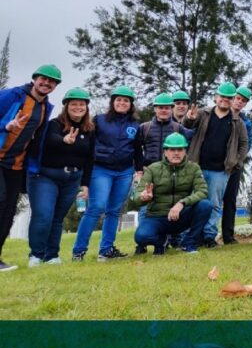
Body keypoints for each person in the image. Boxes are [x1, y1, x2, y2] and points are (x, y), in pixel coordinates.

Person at [0, 63, 61, 273]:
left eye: (52, 82)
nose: (47, 83)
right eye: (43, 79)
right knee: (0, 202)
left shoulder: (45, 107)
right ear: (34, 79)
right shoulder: (12, 95)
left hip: (15, 165)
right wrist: (5, 126)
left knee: (9, 212)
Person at [72, 85, 141, 262]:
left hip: (124, 172)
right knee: (96, 207)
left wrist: (139, 170)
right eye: (118, 100)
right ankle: (78, 251)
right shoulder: (99, 120)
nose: (122, 103)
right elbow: (88, 144)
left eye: (126, 100)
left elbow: (137, 150)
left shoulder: (135, 125)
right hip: (101, 169)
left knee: (114, 211)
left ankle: (106, 250)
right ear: (112, 102)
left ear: (131, 104)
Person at [27, 87, 95, 266]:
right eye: (74, 104)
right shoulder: (54, 125)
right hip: (46, 176)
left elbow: (90, 158)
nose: (78, 107)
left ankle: (52, 256)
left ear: (86, 107)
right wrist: (64, 140)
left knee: (58, 218)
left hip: (72, 179)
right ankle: (36, 255)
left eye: (82, 104)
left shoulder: (89, 130)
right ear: (66, 106)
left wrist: (85, 184)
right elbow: (50, 139)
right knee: (43, 215)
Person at [185, 82, 249, 247]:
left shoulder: (237, 122)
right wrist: (189, 118)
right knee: (194, 201)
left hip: (220, 171)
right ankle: (193, 236)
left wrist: (236, 161)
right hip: (197, 167)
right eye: (222, 96)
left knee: (215, 204)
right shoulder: (203, 114)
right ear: (216, 97)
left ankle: (209, 236)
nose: (225, 100)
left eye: (229, 98)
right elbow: (187, 126)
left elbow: (244, 143)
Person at [132, 133, 211, 255]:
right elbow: (136, 196)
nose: (176, 153)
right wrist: (143, 197)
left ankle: (189, 243)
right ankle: (161, 242)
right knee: (141, 237)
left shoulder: (194, 168)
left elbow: (203, 191)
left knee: (205, 205)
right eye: (172, 149)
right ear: (165, 152)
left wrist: (182, 203)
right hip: (157, 217)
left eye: (180, 149)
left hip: (181, 215)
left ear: (185, 151)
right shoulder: (153, 169)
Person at [222, 86, 252, 244]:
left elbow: (247, 144)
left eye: (243, 101)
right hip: (215, 165)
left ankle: (228, 236)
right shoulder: (219, 115)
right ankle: (205, 235)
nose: (240, 102)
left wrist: (238, 161)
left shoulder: (246, 123)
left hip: (234, 167)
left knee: (230, 200)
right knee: (211, 200)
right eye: (238, 98)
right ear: (232, 98)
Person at [135, 93, 193, 168]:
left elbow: (186, 149)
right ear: (155, 109)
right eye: (160, 108)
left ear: (171, 109)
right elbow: (137, 150)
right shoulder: (144, 127)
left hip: (171, 170)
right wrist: (139, 169)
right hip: (149, 169)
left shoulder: (178, 128)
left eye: (167, 108)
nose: (164, 110)